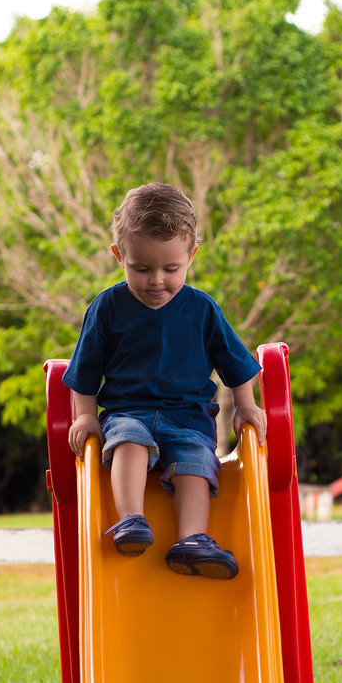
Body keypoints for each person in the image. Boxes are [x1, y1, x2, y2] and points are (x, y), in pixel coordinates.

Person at [63, 182, 267, 579]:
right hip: (128, 412)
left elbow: (236, 364)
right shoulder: (106, 308)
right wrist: (86, 416)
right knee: (128, 439)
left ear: (191, 256)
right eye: (141, 269)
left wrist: (245, 405)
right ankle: (131, 520)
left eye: (171, 269)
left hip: (189, 419)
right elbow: (84, 371)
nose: (157, 281)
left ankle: (191, 540)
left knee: (196, 462)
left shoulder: (202, 309)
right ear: (118, 255)